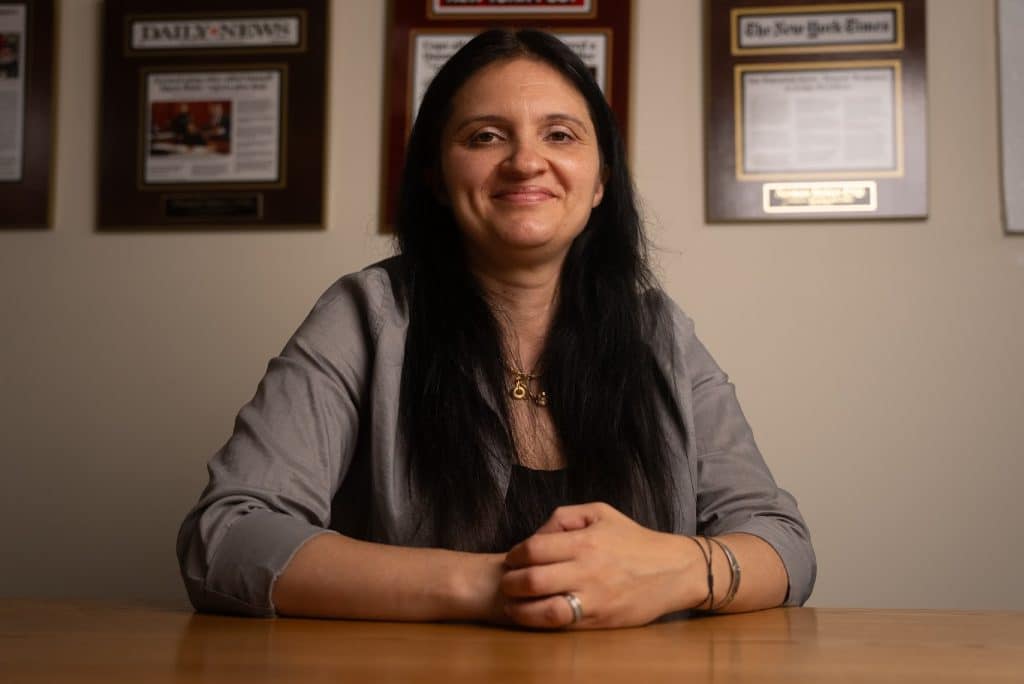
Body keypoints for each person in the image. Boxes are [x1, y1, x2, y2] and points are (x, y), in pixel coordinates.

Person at [176, 29, 815, 629]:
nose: (526, 162)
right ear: (435, 176)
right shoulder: (365, 316)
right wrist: (502, 586)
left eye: (560, 135)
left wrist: (674, 572)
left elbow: (783, 545)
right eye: (485, 136)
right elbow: (226, 538)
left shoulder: (660, 333)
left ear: (601, 181)